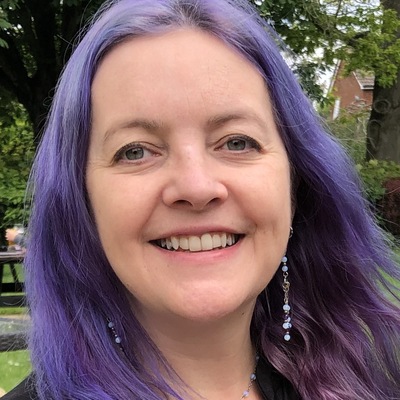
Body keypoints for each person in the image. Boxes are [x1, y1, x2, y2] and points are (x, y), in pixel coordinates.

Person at [4, 0, 400, 399]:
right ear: (80, 202)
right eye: (136, 151)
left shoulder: (373, 383)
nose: (196, 188)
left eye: (237, 142)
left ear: (296, 187)